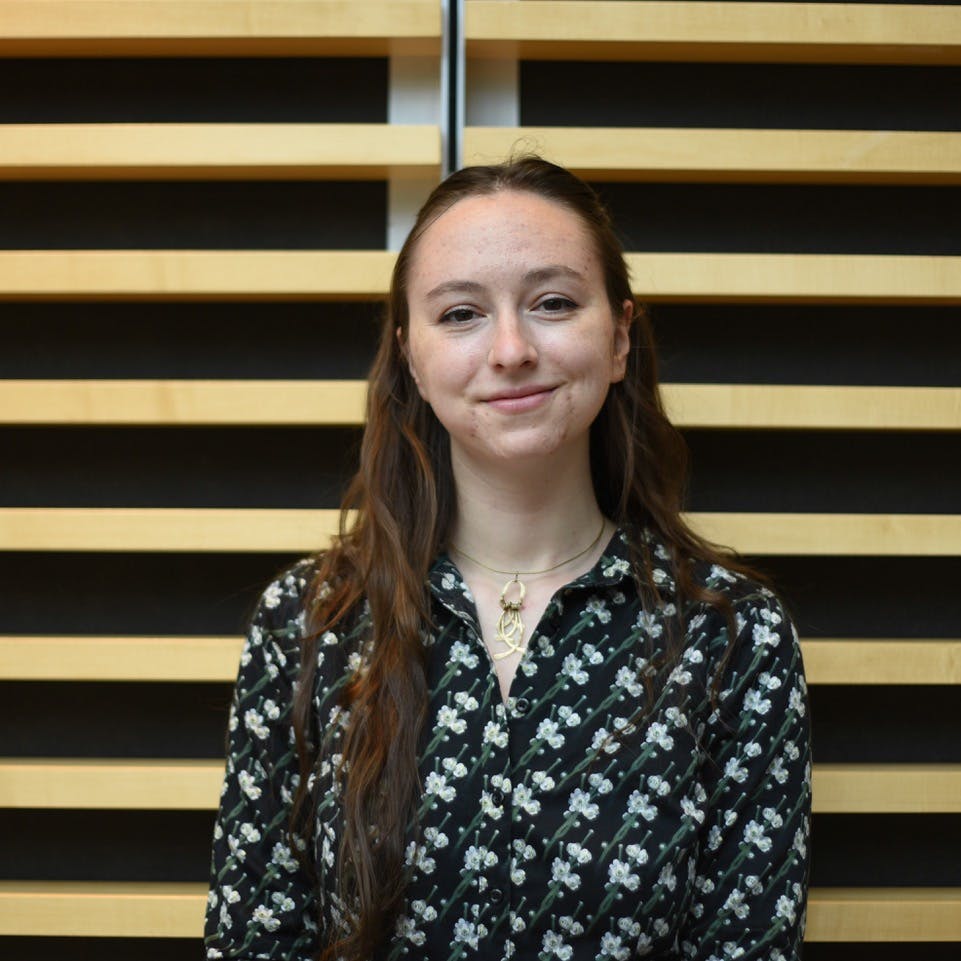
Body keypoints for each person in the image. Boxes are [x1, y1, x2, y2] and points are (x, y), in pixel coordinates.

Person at [204, 156, 811, 961]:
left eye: (553, 303)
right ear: (411, 357)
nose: (512, 348)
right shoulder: (309, 621)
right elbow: (255, 941)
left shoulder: (732, 636)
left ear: (620, 335)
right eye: (460, 313)